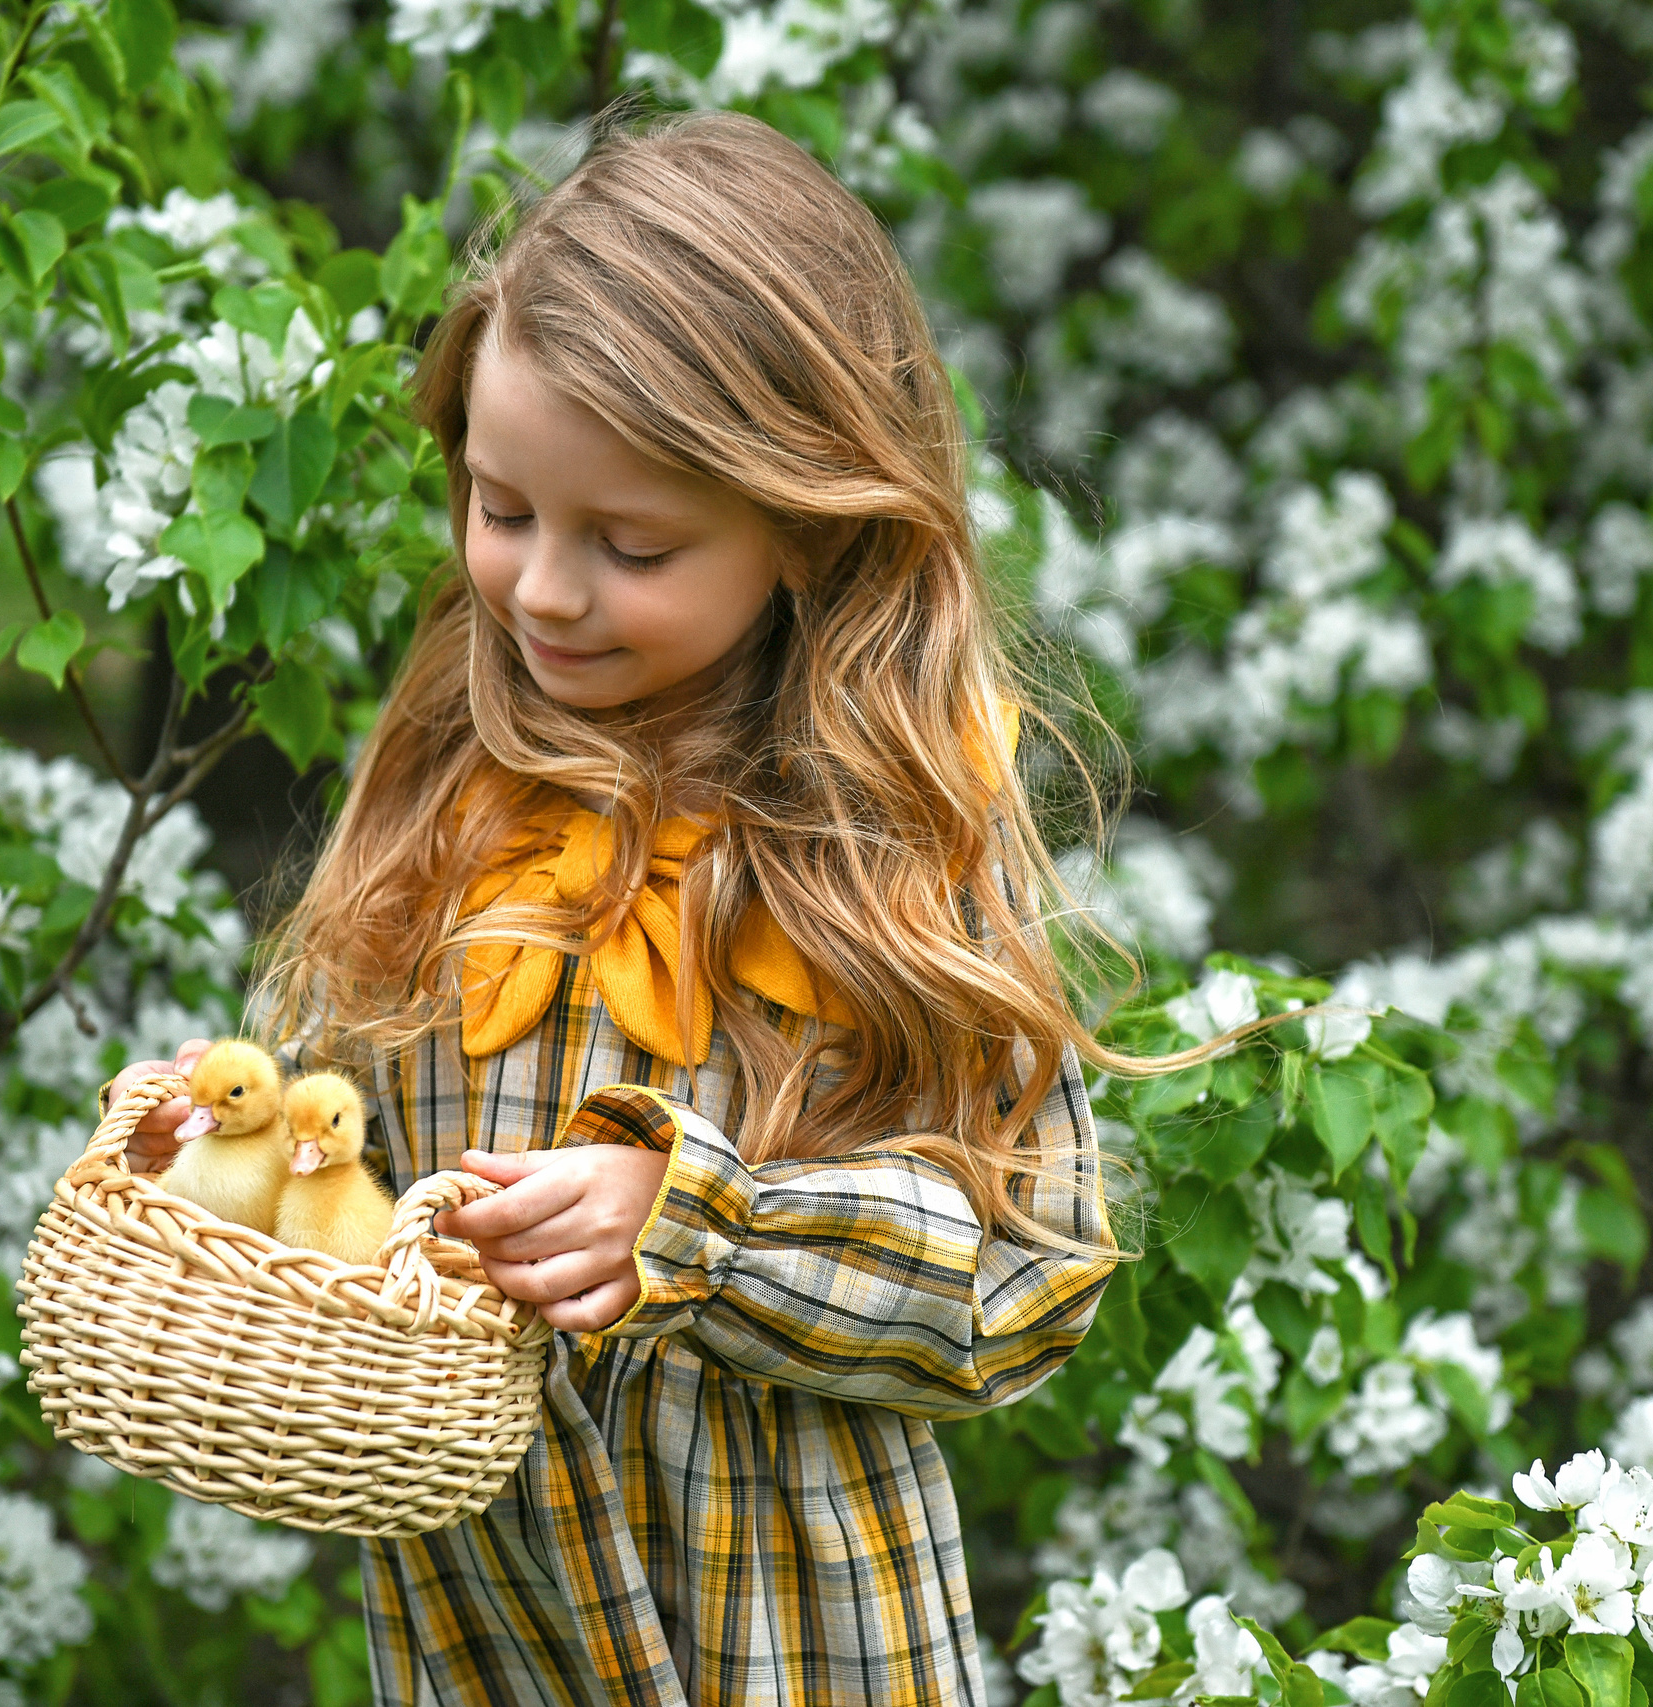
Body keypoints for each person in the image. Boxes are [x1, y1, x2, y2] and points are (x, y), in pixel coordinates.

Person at [106, 110, 1159, 1706]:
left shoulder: (890, 830)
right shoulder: (449, 780)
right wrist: (234, 1159)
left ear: (804, 526)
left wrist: (703, 1225)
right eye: (503, 509)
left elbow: (1028, 1274)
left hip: (800, 1655)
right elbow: (355, 1163)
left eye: (633, 544)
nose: (542, 589)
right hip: (493, 1646)